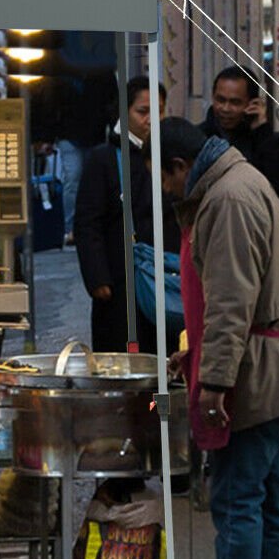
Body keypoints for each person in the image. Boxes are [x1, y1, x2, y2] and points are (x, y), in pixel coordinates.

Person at [155, 118, 279, 559]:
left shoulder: (225, 200)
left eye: (165, 179)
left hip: (255, 373)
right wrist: (193, 354)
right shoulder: (240, 182)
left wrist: (215, 383)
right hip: (271, 362)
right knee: (265, 493)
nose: (166, 191)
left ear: (180, 167)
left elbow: (231, 302)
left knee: (236, 496)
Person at [74, 76, 179, 353]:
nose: (150, 120)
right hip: (119, 282)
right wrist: (98, 278)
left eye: (158, 112)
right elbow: (88, 222)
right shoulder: (103, 159)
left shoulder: (169, 155)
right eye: (142, 112)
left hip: (166, 277)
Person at [202, 66, 279, 199]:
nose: (225, 108)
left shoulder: (262, 141)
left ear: (252, 103)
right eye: (220, 100)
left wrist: (261, 130)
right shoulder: (199, 138)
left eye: (235, 102)